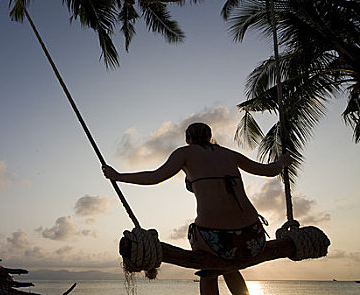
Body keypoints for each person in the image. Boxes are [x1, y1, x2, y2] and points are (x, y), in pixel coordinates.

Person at [102, 122, 292, 295]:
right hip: (253, 238)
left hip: (217, 241)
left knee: (209, 269)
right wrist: (283, 161)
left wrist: (118, 176)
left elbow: (155, 176)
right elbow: (268, 171)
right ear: (210, 137)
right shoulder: (228, 154)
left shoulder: (184, 153)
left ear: (188, 139)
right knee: (229, 266)